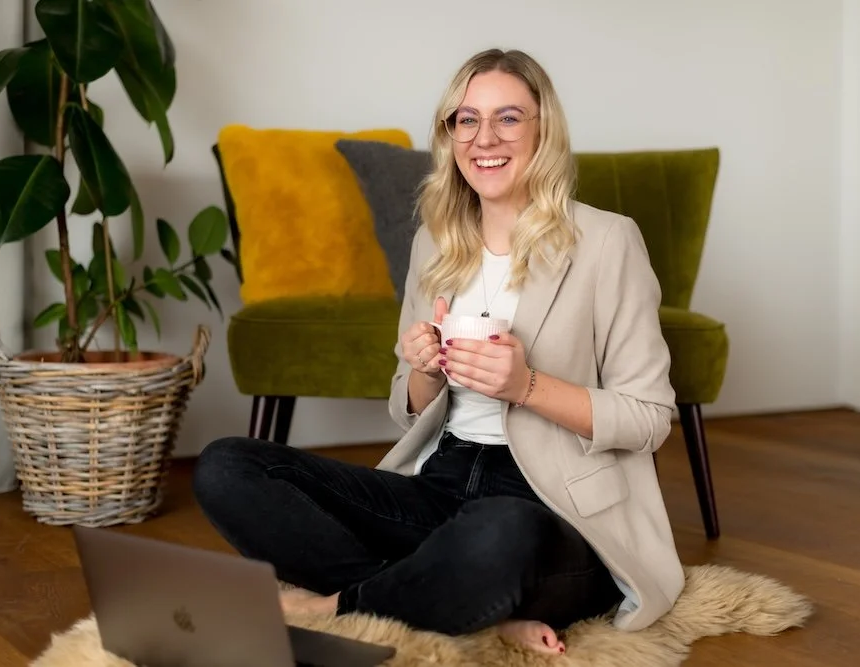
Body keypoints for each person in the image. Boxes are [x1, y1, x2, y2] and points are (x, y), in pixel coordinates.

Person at [192, 47, 685, 655]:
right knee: (226, 467)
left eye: (508, 117)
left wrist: (526, 387)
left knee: (497, 534)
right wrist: (425, 369)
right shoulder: (436, 242)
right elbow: (409, 407)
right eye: (466, 119)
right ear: (450, 136)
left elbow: (649, 420)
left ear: (543, 129)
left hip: (552, 510)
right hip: (442, 479)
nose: (484, 137)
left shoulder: (608, 241)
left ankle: (339, 604)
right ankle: (455, 599)